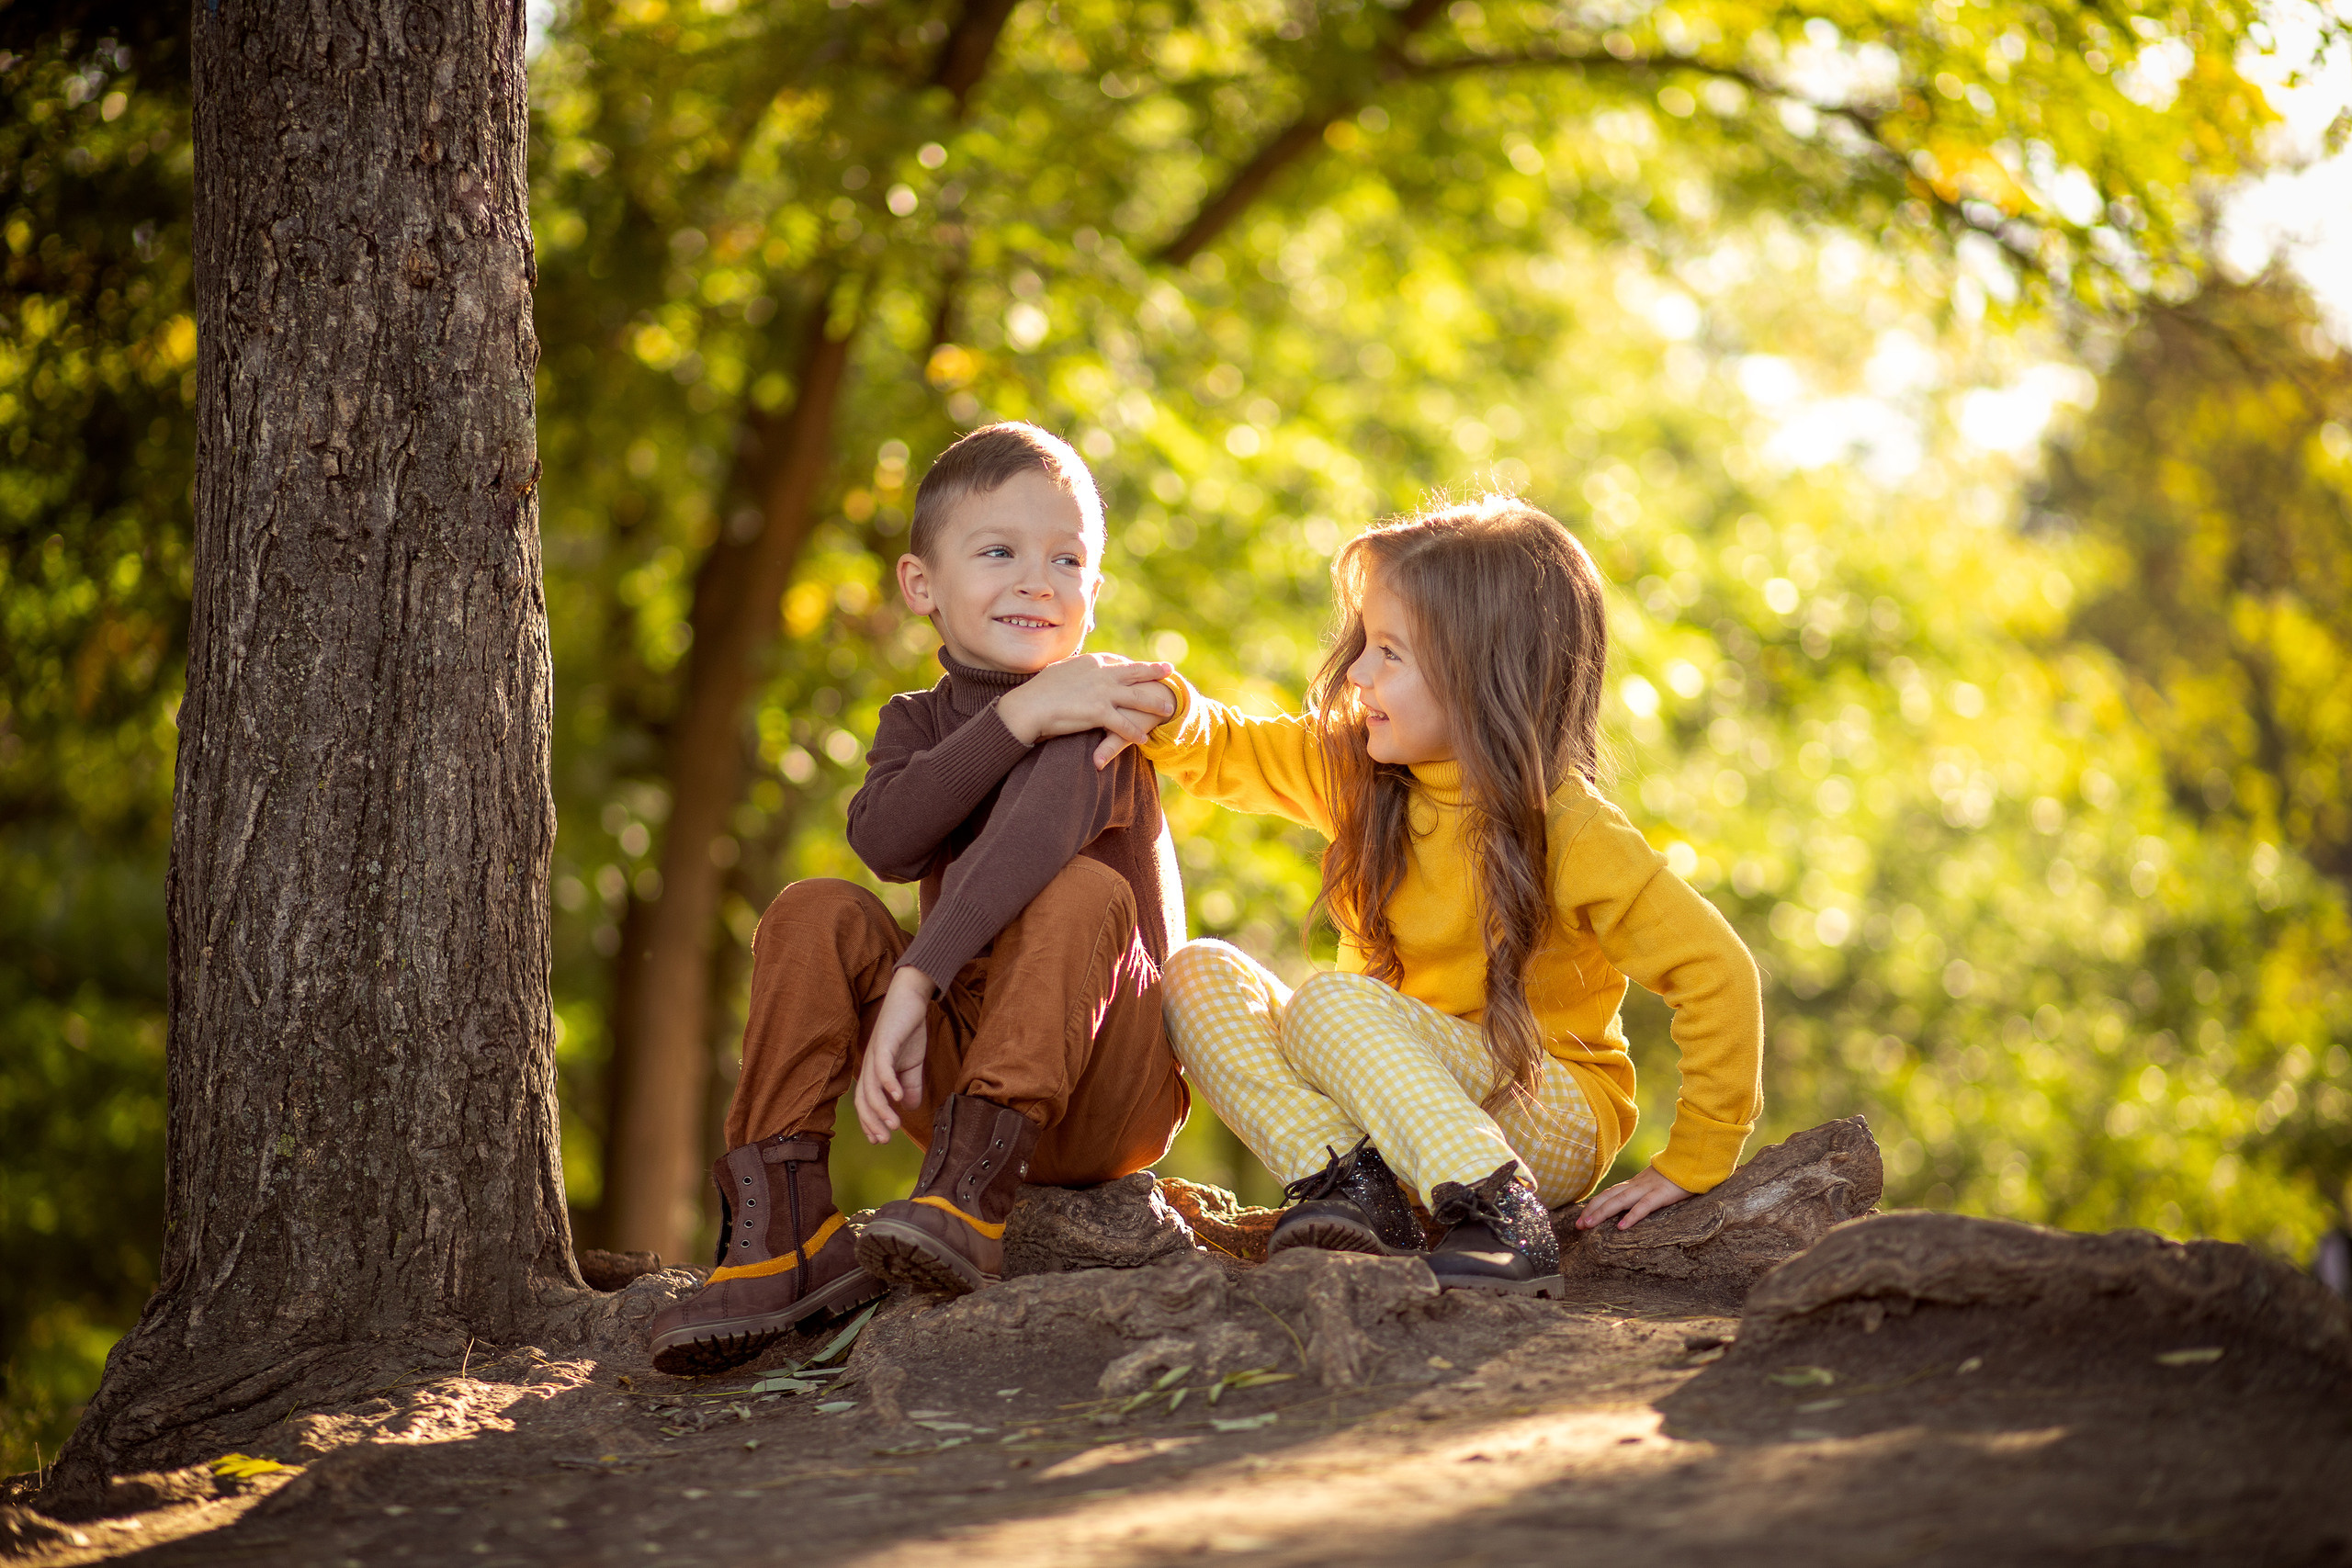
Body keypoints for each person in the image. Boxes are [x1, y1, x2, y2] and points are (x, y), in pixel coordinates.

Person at [650, 423, 1189, 1375]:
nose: (1035, 581)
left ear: (1091, 596)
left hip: (1110, 1077)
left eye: (1065, 560)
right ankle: (784, 1229)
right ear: (920, 587)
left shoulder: (1103, 707)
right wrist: (1015, 716)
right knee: (814, 906)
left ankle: (966, 1204)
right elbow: (885, 842)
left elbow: (1035, 831)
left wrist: (916, 978)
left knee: (1078, 886)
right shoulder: (918, 721)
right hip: (952, 1060)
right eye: (998, 552)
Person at [1134, 497, 1762, 1296]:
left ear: (1480, 675)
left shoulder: (1567, 828)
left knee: (1331, 1003)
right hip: (1395, 1112)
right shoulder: (1360, 770)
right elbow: (1229, 746)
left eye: (1389, 653)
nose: (1357, 673)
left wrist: (1696, 1157)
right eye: (1363, 645)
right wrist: (1160, 708)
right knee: (1195, 972)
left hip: (1546, 1107)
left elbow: (1717, 971)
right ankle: (1352, 1194)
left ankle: (1503, 1211)